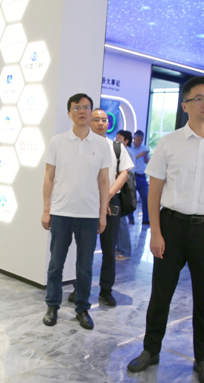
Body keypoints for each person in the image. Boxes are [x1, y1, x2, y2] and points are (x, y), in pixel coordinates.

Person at [126, 76, 204, 383]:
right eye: (199, 98)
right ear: (185, 105)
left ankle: (202, 358)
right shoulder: (169, 142)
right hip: (172, 226)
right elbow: (154, 191)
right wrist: (155, 232)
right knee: (160, 294)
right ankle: (151, 350)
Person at [41, 93, 111, 330]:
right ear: (69, 113)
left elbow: (104, 181)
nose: (82, 111)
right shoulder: (57, 141)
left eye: (86, 107)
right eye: (77, 107)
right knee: (56, 263)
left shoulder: (102, 144)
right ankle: (52, 305)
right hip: (61, 212)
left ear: (91, 111)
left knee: (85, 266)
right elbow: (49, 177)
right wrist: (46, 210)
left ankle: (82, 308)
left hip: (89, 214)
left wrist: (102, 214)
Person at [81, 109, 133, 306]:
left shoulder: (116, 147)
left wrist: (107, 196)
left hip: (111, 201)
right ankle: (80, 288)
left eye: (104, 120)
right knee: (84, 250)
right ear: (89, 122)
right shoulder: (82, 146)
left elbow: (123, 174)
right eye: (97, 120)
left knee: (109, 249)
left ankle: (106, 290)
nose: (101, 123)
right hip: (87, 201)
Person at [115, 130, 135, 258]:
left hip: (124, 191)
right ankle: (120, 248)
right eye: (116, 137)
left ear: (126, 141)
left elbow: (127, 173)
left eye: (120, 138)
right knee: (118, 221)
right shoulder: (117, 150)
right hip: (118, 189)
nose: (117, 140)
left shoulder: (128, 153)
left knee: (122, 220)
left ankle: (125, 251)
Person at [131, 130, 150, 225]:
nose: (140, 141)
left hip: (142, 176)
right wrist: (139, 155)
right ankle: (130, 218)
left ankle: (145, 218)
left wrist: (145, 156)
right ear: (134, 138)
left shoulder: (143, 147)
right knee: (131, 198)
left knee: (146, 197)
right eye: (139, 139)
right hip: (133, 176)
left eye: (142, 140)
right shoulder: (130, 148)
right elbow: (130, 160)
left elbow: (147, 161)